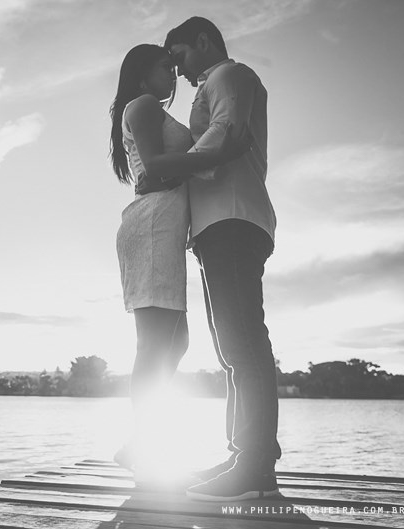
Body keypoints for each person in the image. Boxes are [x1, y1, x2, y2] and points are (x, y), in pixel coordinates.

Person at [108, 44, 250, 474]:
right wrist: (215, 155)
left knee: (176, 341)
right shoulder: (144, 103)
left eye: (174, 69)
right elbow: (151, 166)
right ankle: (141, 443)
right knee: (153, 344)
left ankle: (141, 438)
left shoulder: (147, 107)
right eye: (164, 68)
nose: (172, 76)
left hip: (165, 229)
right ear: (142, 72)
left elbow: (163, 167)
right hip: (152, 225)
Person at [163, 16, 281, 501]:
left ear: (204, 42)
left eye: (181, 57)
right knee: (233, 350)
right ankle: (242, 455)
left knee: (244, 345)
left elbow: (227, 134)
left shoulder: (229, 76)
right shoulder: (212, 82)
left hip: (234, 220)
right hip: (218, 227)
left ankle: (255, 465)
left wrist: (164, 167)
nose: (179, 71)